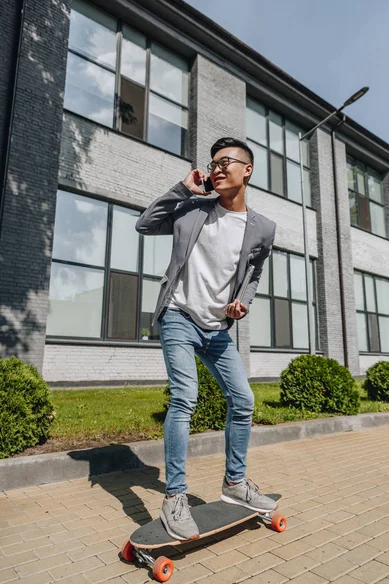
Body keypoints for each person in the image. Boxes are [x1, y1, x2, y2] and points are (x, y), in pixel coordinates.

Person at [136, 137, 277, 541]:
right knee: (185, 398)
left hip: (216, 329)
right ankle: (174, 497)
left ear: (246, 169)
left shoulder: (263, 228)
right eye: (212, 163)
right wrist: (182, 189)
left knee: (244, 399)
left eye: (225, 161)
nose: (216, 168)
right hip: (179, 316)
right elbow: (145, 224)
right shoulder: (193, 209)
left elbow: (253, 274)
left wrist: (242, 303)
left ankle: (235, 483)